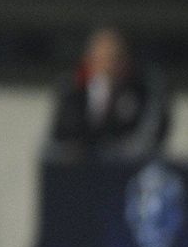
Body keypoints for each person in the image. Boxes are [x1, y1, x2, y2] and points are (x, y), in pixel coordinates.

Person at [47, 27, 169, 163]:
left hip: (123, 168)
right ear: (89, 59)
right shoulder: (72, 89)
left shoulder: (142, 90)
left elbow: (150, 136)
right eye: (102, 57)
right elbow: (61, 132)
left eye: (114, 57)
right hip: (80, 168)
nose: (108, 64)